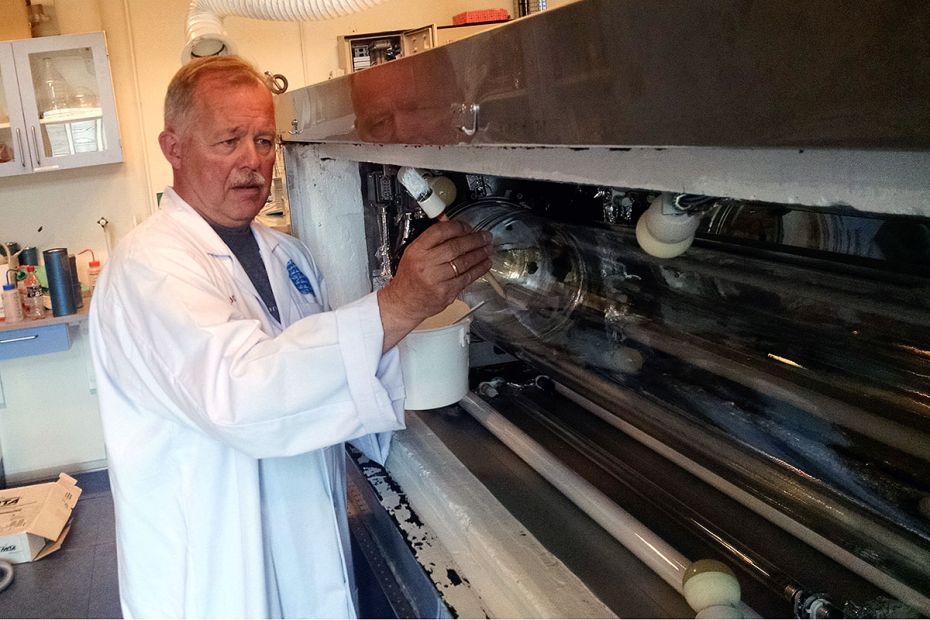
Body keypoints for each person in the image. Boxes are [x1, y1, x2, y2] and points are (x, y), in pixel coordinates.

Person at [88, 55, 492, 618]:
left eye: (263, 140)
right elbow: (244, 398)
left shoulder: (286, 253)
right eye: (228, 141)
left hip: (302, 541)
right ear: (173, 148)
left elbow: (317, 371)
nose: (252, 162)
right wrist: (397, 305)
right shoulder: (151, 266)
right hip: (213, 573)